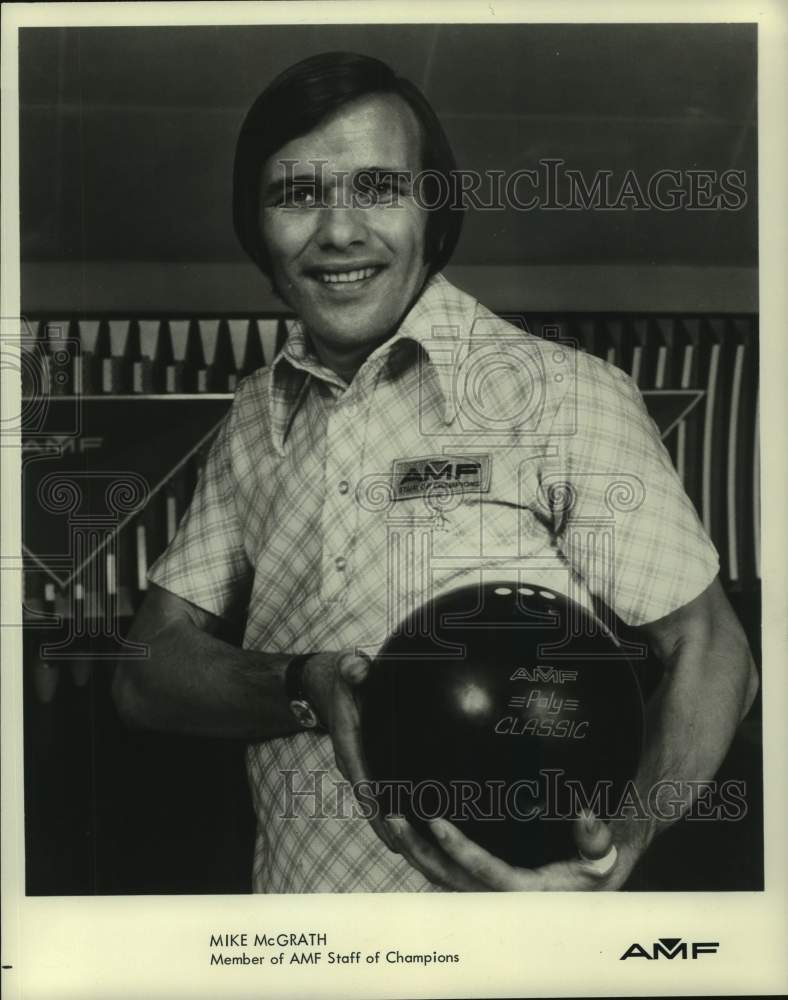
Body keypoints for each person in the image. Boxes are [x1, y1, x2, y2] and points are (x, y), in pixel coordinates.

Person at [112, 51, 758, 893]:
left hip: (509, 952)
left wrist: (622, 848)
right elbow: (145, 671)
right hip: (298, 945)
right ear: (255, 224)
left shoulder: (562, 394)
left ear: (435, 209)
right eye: (298, 194)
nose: (339, 231)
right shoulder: (251, 420)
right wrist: (303, 683)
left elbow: (712, 650)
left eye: (378, 187)